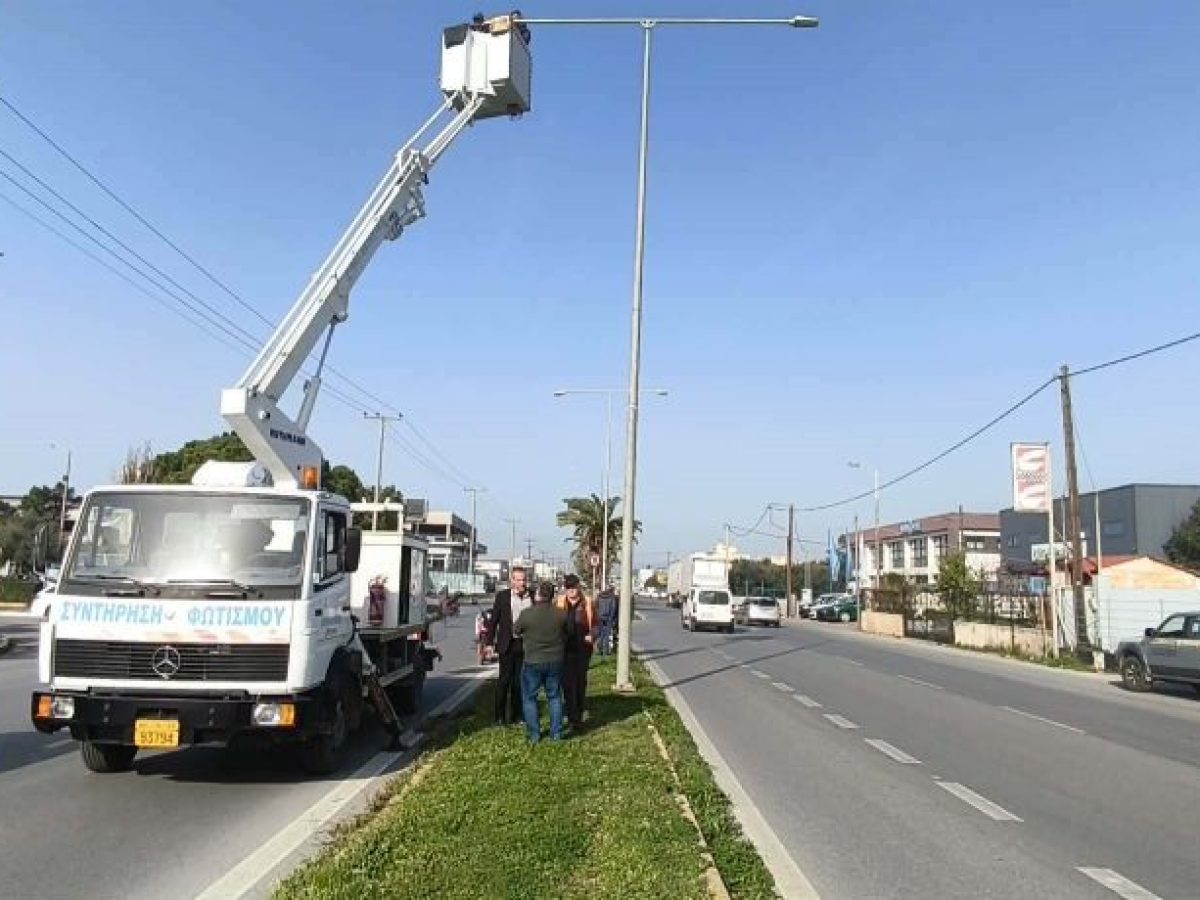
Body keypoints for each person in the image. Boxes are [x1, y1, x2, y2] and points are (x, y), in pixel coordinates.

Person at [513, 580, 568, 744]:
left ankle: (534, 735)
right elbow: (570, 632)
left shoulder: (527, 614)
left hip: (533, 660)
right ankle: (556, 734)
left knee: (530, 698)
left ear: (537, 595)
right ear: (552, 596)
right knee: (555, 697)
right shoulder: (561, 614)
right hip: (555, 660)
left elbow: (515, 631)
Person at [487, 566, 532, 725]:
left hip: (525, 644)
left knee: (519, 682)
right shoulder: (503, 596)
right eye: (518, 580)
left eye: (523, 580)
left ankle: (517, 715)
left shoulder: (532, 596)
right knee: (504, 681)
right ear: (512, 581)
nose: (521, 583)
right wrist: (489, 643)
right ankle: (499, 717)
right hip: (507, 644)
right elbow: (494, 621)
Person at [556, 574, 596, 729]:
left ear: (578, 587)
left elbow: (597, 624)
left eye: (573, 587)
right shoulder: (559, 602)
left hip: (582, 649)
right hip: (564, 650)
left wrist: (592, 634)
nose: (571, 590)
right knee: (567, 683)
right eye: (568, 587)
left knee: (580, 682)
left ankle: (578, 713)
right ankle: (572, 715)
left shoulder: (587, 603)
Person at [596, 587, 617, 656]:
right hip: (609, 618)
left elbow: (596, 607)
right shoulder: (612, 598)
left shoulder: (599, 596)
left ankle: (599, 650)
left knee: (601, 634)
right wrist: (612, 618)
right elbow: (613, 608)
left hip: (600, 617)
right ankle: (606, 651)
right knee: (607, 635)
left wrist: (598, 616)